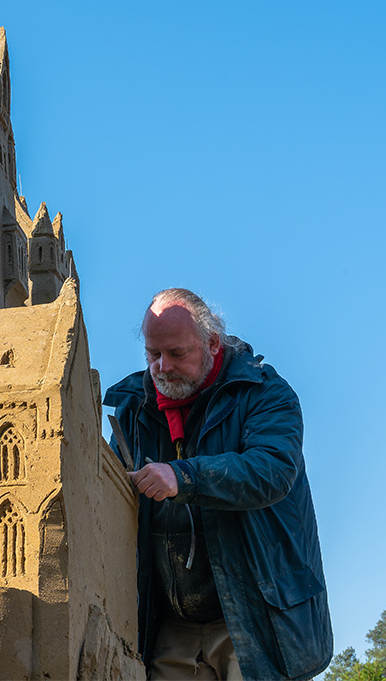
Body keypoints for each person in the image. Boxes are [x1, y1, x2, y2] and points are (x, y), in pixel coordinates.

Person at [104, 289, 331, 680]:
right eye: (152, 354)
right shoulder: (132, 407)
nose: (161, 367)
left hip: (252, 619)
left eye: (176, 353)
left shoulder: (265, 394)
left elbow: (270, 470)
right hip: (168, 626)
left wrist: (183, 476)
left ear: (211, 343)